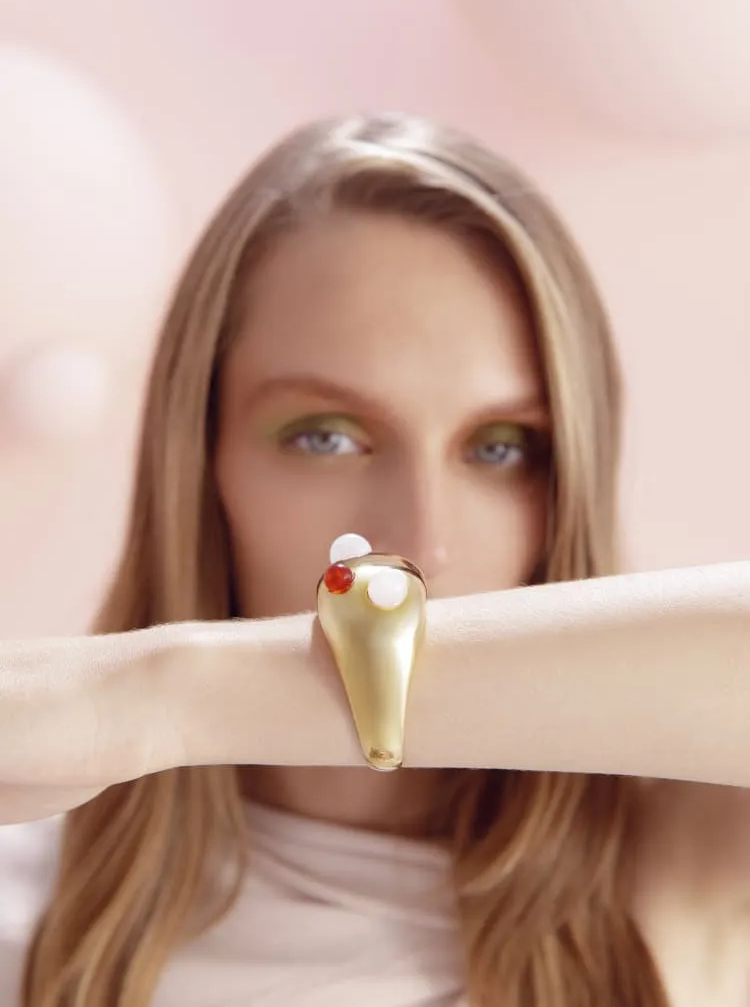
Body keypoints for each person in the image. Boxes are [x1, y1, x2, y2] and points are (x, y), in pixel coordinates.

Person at [0, 113, 749, 1006]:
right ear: (201, 463)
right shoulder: (24, 901)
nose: (421, 541)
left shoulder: (688, 849)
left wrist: (177, 690)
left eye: (502, 447)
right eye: (328, 437)